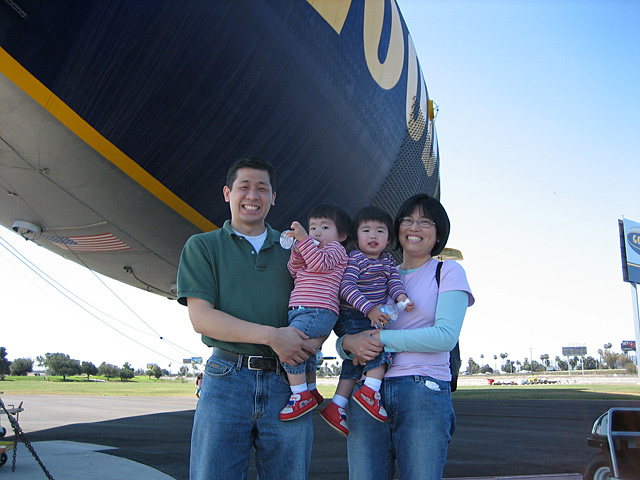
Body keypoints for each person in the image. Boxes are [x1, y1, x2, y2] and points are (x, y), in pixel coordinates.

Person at [176, 156, 321, 480]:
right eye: (244, 187)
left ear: (273, 197)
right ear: (228, 193)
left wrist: (317, 340)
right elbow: (202, 318)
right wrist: (273, 337)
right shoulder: (203, 246)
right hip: (227, 379)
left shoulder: (296, 251)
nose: (252, 196)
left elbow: (321, 302)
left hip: (289, 382)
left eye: (262, 189)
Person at [337, 194, 475, 480]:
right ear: (396, 229)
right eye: (408, 220)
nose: (415, 227)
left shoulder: (447, 271)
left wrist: (383, 340)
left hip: (421, 390)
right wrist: (346, 344)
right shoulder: (380, 273)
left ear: (438, 233)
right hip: (367, 394)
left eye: (425, 222)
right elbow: (353, 331)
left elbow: (445, 337)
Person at [320, 206, 414, 437]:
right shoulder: (356, 258)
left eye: (380, 231)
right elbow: (346, 288)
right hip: (353, 315)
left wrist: (402, 297)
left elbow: (394, 284)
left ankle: (337, 406)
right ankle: (370, 392)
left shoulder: (388, 262)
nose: (373, 236)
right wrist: (369, 309)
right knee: (379, 350)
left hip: (370, 316)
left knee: (355, 363)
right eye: (366, 230)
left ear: (389, 238)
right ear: (356, 236)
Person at [279, 204, 351, 421]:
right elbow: (294, 269)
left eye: (325, 227)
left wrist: (306, 241)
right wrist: (298, 250)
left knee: (290, 349)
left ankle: (300, 395)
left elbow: (319, 264)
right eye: (312, 227)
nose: (317, 232)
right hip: (302, 310)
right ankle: (311, 389)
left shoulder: (336, 250)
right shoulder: (312, 249)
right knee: (305, 354)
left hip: (319, 309)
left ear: (342, 235)